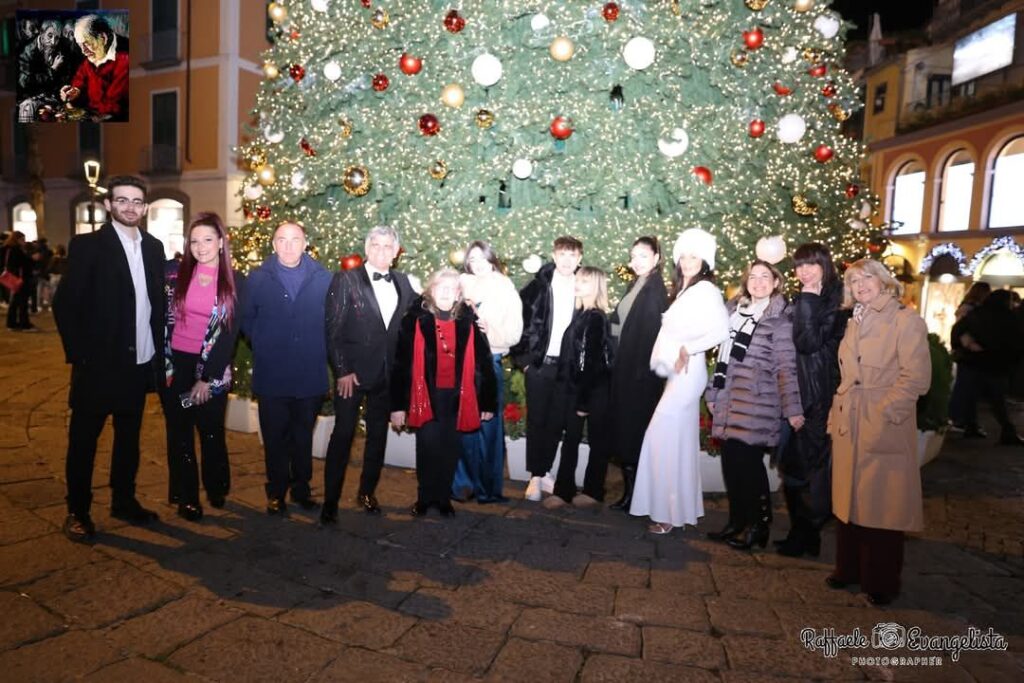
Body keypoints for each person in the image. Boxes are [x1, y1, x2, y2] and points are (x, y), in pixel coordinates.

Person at [52, 175, 165, 542]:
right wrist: (80, 356)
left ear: (145, 207)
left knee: (129, 439)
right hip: (98, 365)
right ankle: (78, 511)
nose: (130, 207)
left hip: (138, 364)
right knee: (84, 441)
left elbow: (154, 305)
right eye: (122, 200)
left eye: (136, 201)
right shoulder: (87, 246)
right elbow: (65, 305)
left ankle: (124, 500)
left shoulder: (154, 247)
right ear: (108, 205)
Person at [826, 258, 931, 606]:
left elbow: (916, 377)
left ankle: (881, 581)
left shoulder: (905, 319)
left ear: (883, 280)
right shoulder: (856, 320)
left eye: (867, 278)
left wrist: (887, 413)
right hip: (850, 419)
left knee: (883, 504)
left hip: (880, 420)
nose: (860, 286)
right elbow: (847, 376)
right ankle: (849, 569)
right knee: (848, 499)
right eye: (854, 282)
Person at [630, 228, 729, 534]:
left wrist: (690, 348)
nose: (687, 261)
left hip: (689, 373)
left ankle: (668, 512)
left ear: (705, 260)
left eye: (694, 256)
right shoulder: (684, 291)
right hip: (677, 374)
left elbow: (721, 331)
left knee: (661, 437)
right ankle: (677, 511)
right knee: (678, 441)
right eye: (684, 255)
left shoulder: (707, 291)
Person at [705, 260, 803, 551]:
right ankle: (737, 522)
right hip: (729, 400)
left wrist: (793, 409)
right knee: (732, 464)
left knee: (748, 466)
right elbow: (723, 359)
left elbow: (787, 367)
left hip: (758, 402)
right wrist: (713, 393)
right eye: (753, 277)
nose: (758, 282)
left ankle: (759, 526)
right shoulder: (734, 311)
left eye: (765, 277)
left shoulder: (780, 319)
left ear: (776, 283)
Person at [322, 225, 416, 522]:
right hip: (352, 376)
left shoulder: (403, 282)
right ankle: (330, 501)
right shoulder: (346, 280)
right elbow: (332, 330)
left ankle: (367, 492)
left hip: (387, 377)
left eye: (388, 246)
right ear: (367, 248)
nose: (381, 251)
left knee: (378, 437)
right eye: (376, 245)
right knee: (343, 435)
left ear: (396, 252)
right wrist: (342, 370)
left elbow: (419, 319)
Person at [240, 221, 332, 515]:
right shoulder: (257, 278)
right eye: (282, 239)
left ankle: (301, 489)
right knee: (275, 437)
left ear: (306, 244)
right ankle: (276, 491)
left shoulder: (324, 278)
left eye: (295, 239)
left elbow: (334, 321)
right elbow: (246, 318)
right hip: (272, 374)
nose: (289, 245)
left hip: (309, 375)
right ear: (273, 245)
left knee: (303, 436)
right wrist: (264, 342)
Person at [390, 269, 497, 516]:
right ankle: (425, 497)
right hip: (425, 394)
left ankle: (443, 497)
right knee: (427, 446)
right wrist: (397, 405)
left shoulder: (469, 320)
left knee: (449, 448)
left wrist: (488, 402)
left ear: (459, 293)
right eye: (441, 287)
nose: (447, 292)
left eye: (452, 288)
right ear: (431, 290)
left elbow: (483, 362)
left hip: (458, 396)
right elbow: (401, 364)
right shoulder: (414, 319)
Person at [160, 213, 241, 521]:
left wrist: (207, 378)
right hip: (175, 365)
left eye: (208, 239)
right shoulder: (174, 275)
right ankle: (187, 496)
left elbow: (230, 335)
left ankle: (216, 485)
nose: (200, 246)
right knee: (179, 433)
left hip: (211, 366)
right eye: (194, 241)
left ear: (221, 242)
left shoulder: (234, 281)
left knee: (210, 431)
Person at [775, 243, 847, 557]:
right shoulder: (810, 297)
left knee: (807, 467)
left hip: (817, 395)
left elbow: (807, 342)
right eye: (799, 266)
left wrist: (807, 298)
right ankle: (804, 534)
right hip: (800, 391)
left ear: (824, 265)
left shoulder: (834, 299)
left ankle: (806, 533)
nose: (804, 271)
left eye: (811, 264)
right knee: (794, 466)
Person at [510, 236, 584, 501]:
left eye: (572, 255)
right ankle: (535, 476)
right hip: (540, 366)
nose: (566, 260)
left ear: (579, 259)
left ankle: (546, 470)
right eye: (562, 254)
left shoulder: (583, 287)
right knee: (537, 420)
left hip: (567, 369)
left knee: (556, 422)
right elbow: (519, 322)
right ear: (554, 256)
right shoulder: (538, 287)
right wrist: (525, 361)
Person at [450, 240, 523, 503]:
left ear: (492, 259)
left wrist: (489, 328)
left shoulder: (504, 286)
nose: (477, 264)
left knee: (488, 424)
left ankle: (487, 488)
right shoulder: (461, 283)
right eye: (473, 259)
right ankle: (461, 485)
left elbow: (515, 332)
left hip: (489, 359)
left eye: (483, 259)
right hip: (460, 361)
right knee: (462, 422)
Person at [542, 266, 615, 509]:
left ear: (595, 285)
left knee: (596, 440)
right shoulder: (582, 313)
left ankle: (593, 491)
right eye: (578, 279)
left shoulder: (594, 317)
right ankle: (564, 490)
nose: (578, 283)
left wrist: (583, 401)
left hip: (590, 391)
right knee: (571, 438)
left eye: (584, 280)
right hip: (577, 389)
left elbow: (589, 362)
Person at [607, 237, 669, 511]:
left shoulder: (655, 290)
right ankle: (632, 494)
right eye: (633, 256)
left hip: (639, 376)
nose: (636, 261)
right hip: (626, 370)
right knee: (627, 434)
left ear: (656, 258)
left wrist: (638, 373)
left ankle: (637, 497)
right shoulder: (637, 284)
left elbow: (650, 337)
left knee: (634, 434)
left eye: (643, 255)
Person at [950, 289, 1024, 446]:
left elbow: (958, 330)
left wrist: (967, 344)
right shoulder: (1008, 317)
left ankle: (970, 426)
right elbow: (1014, 342)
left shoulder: (977, 313)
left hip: (972, 362)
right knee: (997, 400)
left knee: (970, 396)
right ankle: (1007, 431)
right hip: (994, 364)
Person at [60, 14, 129, 121]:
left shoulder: (125, 57)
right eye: (80, 45)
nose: (83, 51)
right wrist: (75, 90)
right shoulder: (93, 52)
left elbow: (113, 106)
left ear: (103, 38)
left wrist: (83, 115)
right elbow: (80, 77)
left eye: (86, 43)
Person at [948, 281, 991, 436]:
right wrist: (971, 345)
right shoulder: (969, 309)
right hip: (968, 353)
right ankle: (957, 418)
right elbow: (961, 330)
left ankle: (964, 420)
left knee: (967, 385)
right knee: (965, 385)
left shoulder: (969, 308)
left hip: (968, 352)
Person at [17, 19, 74, 122]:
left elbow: (65, 79)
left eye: (56, 38)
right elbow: (24, 83)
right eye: (49, 36)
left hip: (52, 98)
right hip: (30, 98)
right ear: (41, 33)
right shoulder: (27, 51)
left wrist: (63, 93)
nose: (53, 42)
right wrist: (52, 70)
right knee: (27, 107)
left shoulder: (61, 49)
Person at [2, 231, 34, 332]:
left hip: (14, 278)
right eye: (22, 240)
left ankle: (12, 323)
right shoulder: (16, 250)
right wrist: (32, 259)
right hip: (20, 279)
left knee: (15, 302)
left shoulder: (7, 249)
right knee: (22, 302)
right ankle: (24, 324)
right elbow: (23, 264)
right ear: (17, 240)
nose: (24, 242)